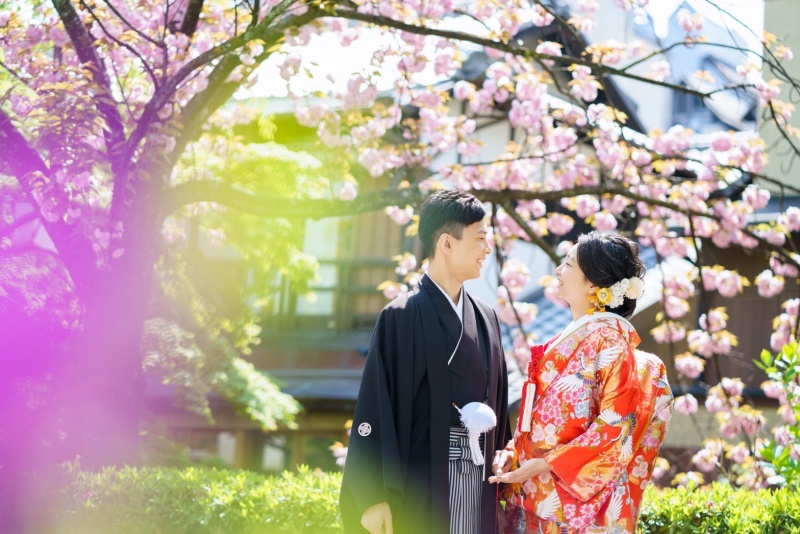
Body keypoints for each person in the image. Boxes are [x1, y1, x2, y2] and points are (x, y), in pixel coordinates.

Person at [340, 190, 511, 534]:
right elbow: (375, 408)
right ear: (447, 244)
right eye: (480, 239)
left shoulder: (487, 318)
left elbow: (500, 407)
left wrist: (507, 455)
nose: (487, 250)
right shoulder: (400, 317)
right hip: (419, 486)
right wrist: (373, 496)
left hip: (479, 484)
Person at [489, 232, 673, 534]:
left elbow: (616, 428)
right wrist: (514, 452)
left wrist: (546, 463)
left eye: (568, 264)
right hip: (536, 493)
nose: (559, 272)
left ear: (593, 283)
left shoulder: (608, 341)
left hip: (568, 506)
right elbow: (542, 418)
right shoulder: (580, 337)